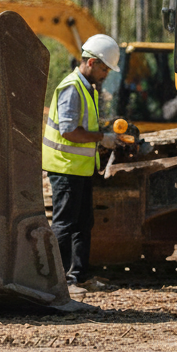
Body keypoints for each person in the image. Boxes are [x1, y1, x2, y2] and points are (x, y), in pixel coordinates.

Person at [42, 33, 123, 296]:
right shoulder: (72, 88)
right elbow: (68, 131)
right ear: (90, 62)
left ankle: (78, 277)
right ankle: (58, 282)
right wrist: (102, 137)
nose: (106, 75)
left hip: (79, 168)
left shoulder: (86, 88)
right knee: (65, 224)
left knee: (82, 223)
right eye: (104, 69)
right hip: (65, 169)